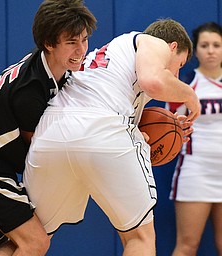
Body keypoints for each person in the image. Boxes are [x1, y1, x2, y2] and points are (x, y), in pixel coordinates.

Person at [23, 18, 201, 255]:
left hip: (51, 134)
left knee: (30, 241)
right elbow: (154, 82)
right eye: (179, 64)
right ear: (171, 47)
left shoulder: (109, 59)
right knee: (140, 238)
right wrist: (190, 95)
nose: (177, 76)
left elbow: (115, 105)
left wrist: (169, 128)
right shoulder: (152, 42)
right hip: (104, 130)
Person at [0, 0, 96, 255]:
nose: (81, 50)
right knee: (35, 242)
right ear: (49, 43)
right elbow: (40, 151)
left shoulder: (57, 72)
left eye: (84, 40)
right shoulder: (30, 90)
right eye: (71, 43)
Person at [168, 22, 222, 256]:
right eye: (205, 45)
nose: (211, 50)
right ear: (195, 51)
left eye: (216, 45)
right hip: (196, 170)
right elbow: (168, 125)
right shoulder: (185, 85)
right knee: (188, 245)